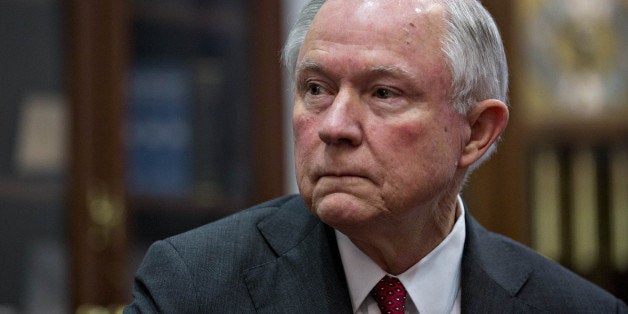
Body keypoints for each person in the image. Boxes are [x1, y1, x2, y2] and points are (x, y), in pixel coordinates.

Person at [125, 0, 627, 313]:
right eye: (316, 88)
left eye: (384, 93)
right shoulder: (192, 288)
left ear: (475, 132)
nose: (334, 126)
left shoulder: (572, 307)